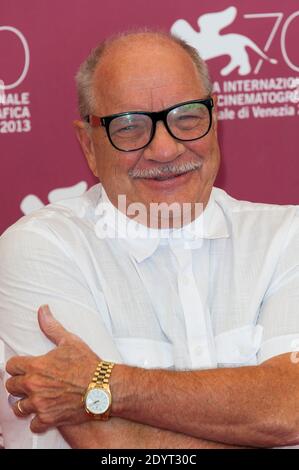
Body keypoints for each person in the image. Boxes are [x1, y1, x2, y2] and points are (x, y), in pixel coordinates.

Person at [1, 30, 299, 449]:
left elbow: (288, 407)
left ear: (214, 120)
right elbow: (112, 445)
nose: (165, 149)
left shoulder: (288, 237)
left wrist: (106, 384)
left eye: (187, 118)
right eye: (130, 127)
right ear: (88, 144)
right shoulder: (41, 247)